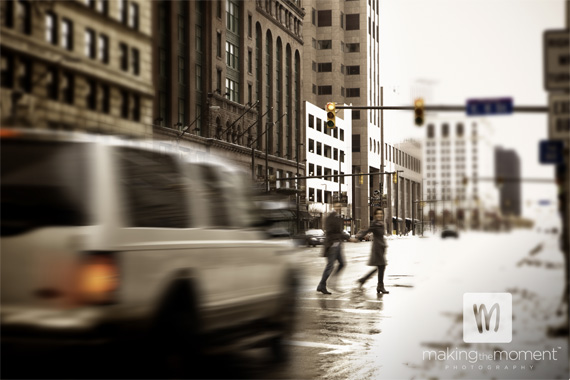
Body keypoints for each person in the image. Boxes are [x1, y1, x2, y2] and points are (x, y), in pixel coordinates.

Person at [317, 202, 349, 295]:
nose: (338, 208)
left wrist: (344, 237)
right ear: (332, 207)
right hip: (332, 245)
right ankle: (322, 285)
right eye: (336, 206)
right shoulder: (330, 218)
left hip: (337, 244)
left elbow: (339, 231)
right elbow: (331, 231)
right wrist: (347, 237)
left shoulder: (338, 218)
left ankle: (328, 283)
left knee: (342, 264)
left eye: (339, 206)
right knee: (330, 266)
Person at [355, 208, 389, 294]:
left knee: (380, 267)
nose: (380, 215)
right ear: (375, 215)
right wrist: (358, 238)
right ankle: (380, 286)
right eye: (378, 214)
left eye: (381, 214)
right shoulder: (375, 224)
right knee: (381, 266)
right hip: (377, 247)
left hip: (381, 247)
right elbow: (367, 231)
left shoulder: (381, 223)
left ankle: (364, 280)